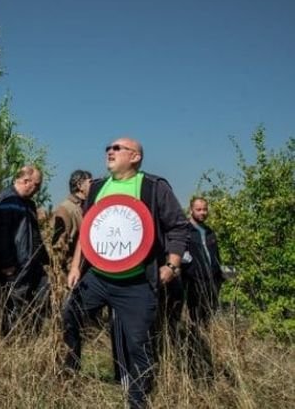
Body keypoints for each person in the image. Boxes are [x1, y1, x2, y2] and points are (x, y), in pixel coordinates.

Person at [63, 137, 189, 409]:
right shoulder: (97, 187)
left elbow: (178, 227)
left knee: (138, 344)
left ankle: (137, 400)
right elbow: (87, 231)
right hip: (98, 278)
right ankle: (69, 373)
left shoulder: (153, 187)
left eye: (117, 148)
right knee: (70, 315)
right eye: (108, 148)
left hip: (137, 283)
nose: (110, 151)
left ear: (135, 157)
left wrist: (171, 265)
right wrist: (75, 266)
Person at [0, 165, 51, 335]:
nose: (38, 189)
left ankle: (34, 337)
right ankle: (14, 341)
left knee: (42, 298)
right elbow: (1, 236)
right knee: (16, 306)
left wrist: (44, 259)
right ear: (26, 181)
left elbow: (34, 234)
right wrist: (7, 265)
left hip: (33, 265)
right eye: (37, 185)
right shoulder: (7, 202)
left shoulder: (28, 204)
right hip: (17, 266)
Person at [183, 197, 224, 325]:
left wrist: (220, 278)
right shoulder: (184, 231)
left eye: (205, 209)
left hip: (212, 281)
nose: (202, 212)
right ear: (191, 210)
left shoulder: (209, 231)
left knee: (208, 317)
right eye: (199, 209)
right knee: (196, 318)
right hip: (194, 282)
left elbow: (216, 256)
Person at [51, 170, 92, 272]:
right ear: (80, 185)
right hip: (72, 270)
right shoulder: (65, 209)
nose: (93, 185)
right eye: (90, 182)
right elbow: (58, 246)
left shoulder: (85, 207)